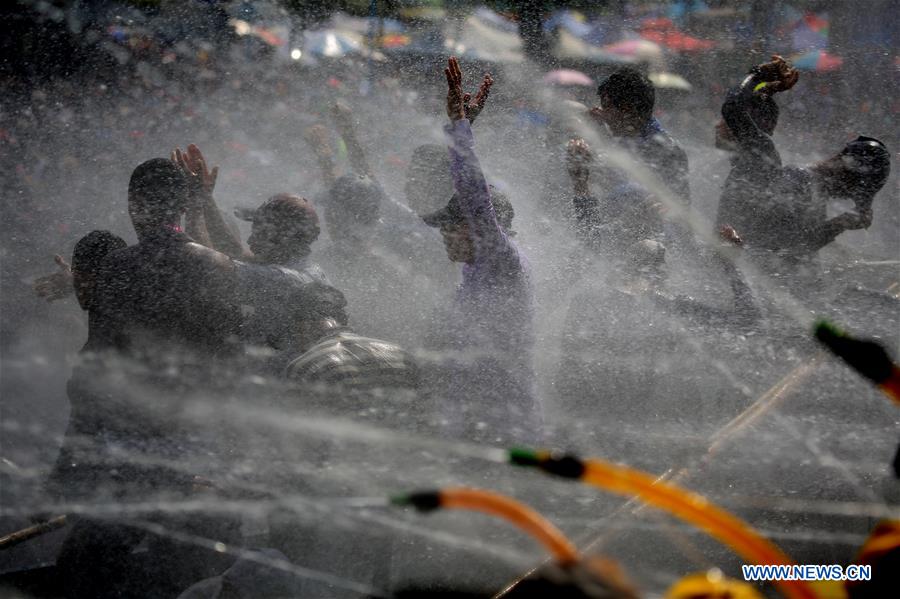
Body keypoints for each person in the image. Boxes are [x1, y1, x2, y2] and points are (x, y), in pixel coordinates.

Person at [419, 57, 540, 445]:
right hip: (471, 421)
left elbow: (474, 194)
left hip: (505, 428)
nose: (443, 234)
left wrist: (460, 130)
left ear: (481, 229)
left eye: (451, 226)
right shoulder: (474, 269)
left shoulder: (500, 258)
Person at [716, 56, 891, 258]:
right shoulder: (812, 195)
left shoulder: (768, 157)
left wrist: (758, 75)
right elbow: (798, 247)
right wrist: (839, 224)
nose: (720, 125)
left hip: (729, 267)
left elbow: (732, 107)